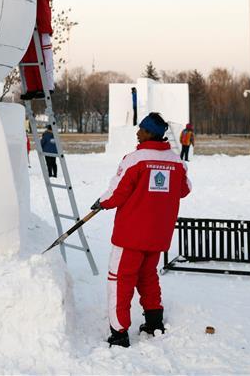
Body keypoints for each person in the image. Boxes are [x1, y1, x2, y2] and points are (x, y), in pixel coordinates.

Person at [91, 113, 191, 348]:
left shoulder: (135, 159)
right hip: (158, 234)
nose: (137, 133)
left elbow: (117, 192)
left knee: (120, 280)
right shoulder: (176, 161)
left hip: (131, 235)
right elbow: (184, 189)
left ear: (150, 133)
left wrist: (102, 202)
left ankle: (119, 332)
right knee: (148, 276)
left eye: (141, 130)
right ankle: (154, 323)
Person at [20, 0, 56, 100]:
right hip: (27, 19)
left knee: (43, 55)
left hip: (40, 20)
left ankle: (46, 85)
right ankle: (33, 87)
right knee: (28, 56)